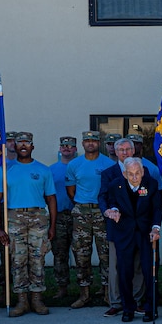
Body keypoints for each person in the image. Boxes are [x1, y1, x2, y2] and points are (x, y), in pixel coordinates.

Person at [0, 132, 57, 318]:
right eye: (19, 142)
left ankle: (36, 299)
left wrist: (52, 225)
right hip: (14, 218)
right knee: (18, 260)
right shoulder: (4, 170)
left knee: (37, 258)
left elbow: (51, 199)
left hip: (38, 217)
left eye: (27, 142)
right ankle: (21, 300)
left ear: (32, 146)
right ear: (14, 146)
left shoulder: (44, 170)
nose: (23, 145)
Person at [101, 157, 162, 323]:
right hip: (124, 233)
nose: (135, 177)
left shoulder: (151, 184)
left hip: (145, 232)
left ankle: (151, 308)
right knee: (124, 271)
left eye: (137, 173)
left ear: (142, 171)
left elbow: (157, 209)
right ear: (124, 173)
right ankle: (128, 309)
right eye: (131, 174)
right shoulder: (115, 185)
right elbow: (112, 202)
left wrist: (156, 228)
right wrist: (113, 211)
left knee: (149, 271)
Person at [66, 131, 117, 309]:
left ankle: (107, 293)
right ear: (82, 143)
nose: (90, 144)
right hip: (81, 212)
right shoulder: (74, 164)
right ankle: (84, 294)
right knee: (81, 254)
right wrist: (83, 206)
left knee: (106, 254)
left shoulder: (108, 164)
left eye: (93, 141)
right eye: (87, 141)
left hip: (102, 212)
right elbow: (71, 191)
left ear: (99, 143)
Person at [98, 138, 138, 316]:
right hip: (117, 225)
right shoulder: (109, 173)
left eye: (128, 149)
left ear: (133, 150)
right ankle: (116, 302)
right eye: (121, 150)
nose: (125, 152)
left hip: (137, 227)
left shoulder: (143, 171)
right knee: (116, 266)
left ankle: (136, 300)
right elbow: (103, 196)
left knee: (136, 265)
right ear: (115, 152)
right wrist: (107, 211)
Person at [49, 136, 77, 295]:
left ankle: (84, 288)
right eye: (63, 145)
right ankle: (62, 288)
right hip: (58, 216)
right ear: (60, 149)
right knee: (59, 253)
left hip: (78, 215)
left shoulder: (79, 166)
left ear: (75, 149)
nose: (66, 148)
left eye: (70, 146)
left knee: (81, 253)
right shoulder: (51, 170)